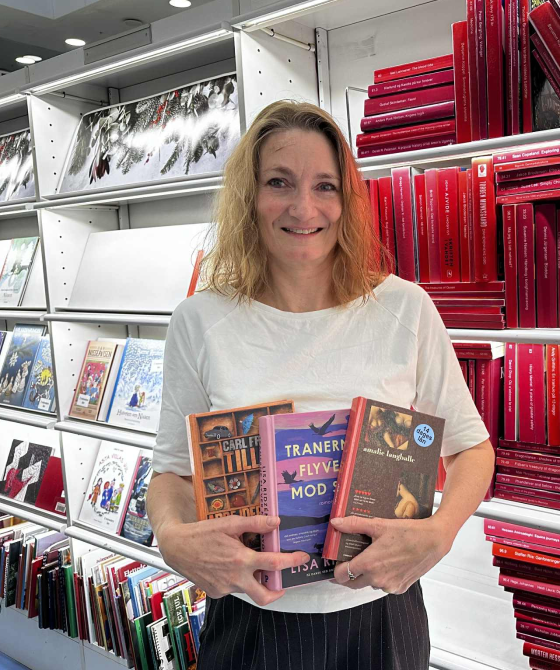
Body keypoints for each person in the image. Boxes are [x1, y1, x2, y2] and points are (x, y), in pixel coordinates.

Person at [147, 100, 495, 670]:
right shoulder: (200, 320)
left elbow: (471, 450)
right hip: (251, 620)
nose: (303, 207)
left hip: (380, 617)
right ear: (249, 196)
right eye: (279, 182)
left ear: (346, 200)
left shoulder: (405, 308)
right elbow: (171, 472)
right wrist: (170, 536)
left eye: (324, 186)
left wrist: (439, 533)